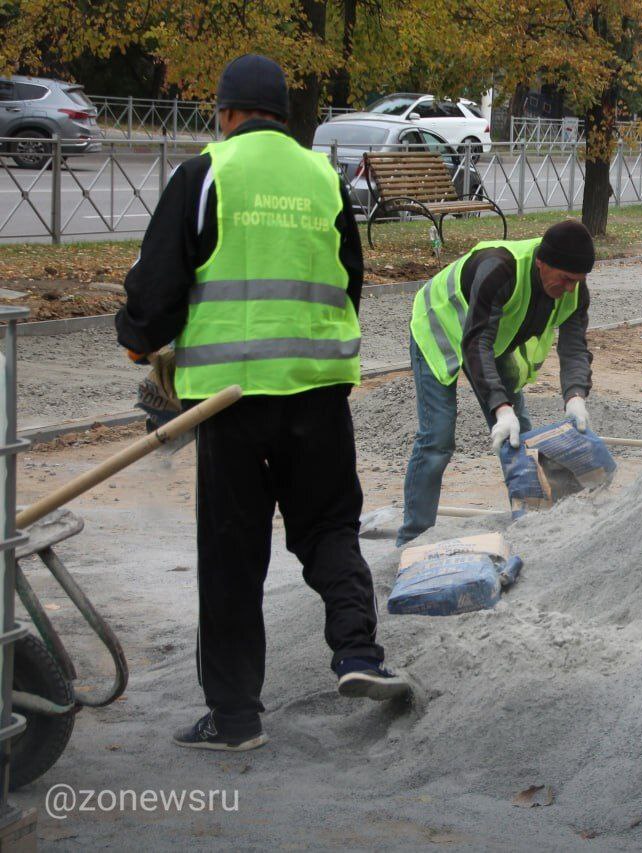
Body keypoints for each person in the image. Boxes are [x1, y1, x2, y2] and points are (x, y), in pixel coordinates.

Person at [115, 54, 407, 753]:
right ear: (283, 115)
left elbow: (157, 286)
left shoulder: (206, 174)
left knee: (232, 553)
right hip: (317, 388)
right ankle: (359, 654)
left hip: (230, 399)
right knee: (329, 527)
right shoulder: (323, 177)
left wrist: (139, 341)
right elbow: (348, 280)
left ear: (225, 113)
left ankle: (236, 719)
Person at [397, 221, 595, 547]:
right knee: (437, 438)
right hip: (440, 326)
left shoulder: (573, 291)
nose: (571, 288)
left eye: (578, 281)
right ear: (541, 262)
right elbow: (476, 343)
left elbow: (574, 347)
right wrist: (501, 408)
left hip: (490, 338)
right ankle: (411, 541)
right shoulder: (499, 269)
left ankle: (533, 528)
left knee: (520, 438)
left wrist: (575, 397)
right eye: (565, 279)